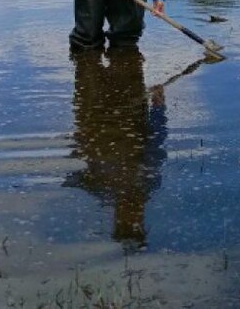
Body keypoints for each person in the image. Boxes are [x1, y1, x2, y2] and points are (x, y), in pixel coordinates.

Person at [63, 45, 167, 249]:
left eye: (129, 220)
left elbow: (156, 140)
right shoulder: (147, 183)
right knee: (90, 46)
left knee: (121, 49)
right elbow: (156, 140)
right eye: (135, 220)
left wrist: (158, 109)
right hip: (109, 113)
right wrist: (158, 108)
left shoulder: (103, 190)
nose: (133, 214)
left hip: (102, 113)